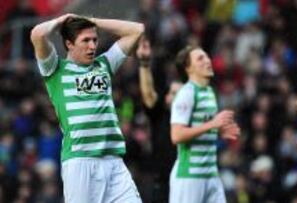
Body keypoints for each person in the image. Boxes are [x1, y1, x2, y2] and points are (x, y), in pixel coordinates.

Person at [30, 13, 144, 203]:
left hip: (114, 161)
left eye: (94, 40)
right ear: (69, 44)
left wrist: (95, 21)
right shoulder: (55, 69)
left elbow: (137, 30)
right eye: (85, 41)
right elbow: (37, 34)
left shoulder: (104, 65)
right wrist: (61, 20)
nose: (92, 46)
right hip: (80, 162)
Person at [169, 45, 241, 203]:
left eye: (207, 56)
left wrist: (218, 131)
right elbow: (176, 135)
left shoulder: (209, 92)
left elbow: (202, 126)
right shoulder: (186, 93)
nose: (208, 60)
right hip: (189, 176)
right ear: (188, 68)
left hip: (211, 173)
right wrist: (212, 125)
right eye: (200, 58)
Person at [136, 37, 182, 203]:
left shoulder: (192, 119)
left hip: (188, 181)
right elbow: (148, 95)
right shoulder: (161, 114)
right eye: (172, 93)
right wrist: (144, 63)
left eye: (179, 93)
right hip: (163, 183)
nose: (174, 97)